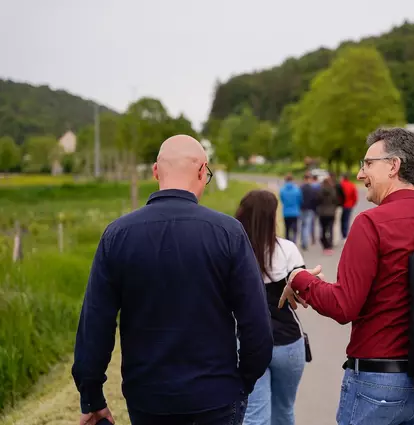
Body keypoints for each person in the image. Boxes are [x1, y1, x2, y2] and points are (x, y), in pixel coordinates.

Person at [72, 135, 273, 425]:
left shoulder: (117, 235)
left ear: (156, 171)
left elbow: (95, 323)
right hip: (216, 395)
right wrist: (244, 382)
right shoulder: (229, 233)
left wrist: (91, 396)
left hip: (148, 399)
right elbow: (257, 325)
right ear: (203, 171)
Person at [279, 127, 414, 425]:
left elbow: (344, 305)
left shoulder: (371, 223)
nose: (361, 174)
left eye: (368, 164)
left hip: (379, 381)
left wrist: (299, 278)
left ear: (394, 166)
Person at [236, 190, 308, 425]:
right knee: (284, 411)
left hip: (246, 343)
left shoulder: (232, 251)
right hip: (288, 342)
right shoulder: (287, 250)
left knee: (255, 416)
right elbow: (304, 294)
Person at [316, 175, 339, 255]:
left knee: (323, 229)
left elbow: (317, 200)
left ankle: (324, 244)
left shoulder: (320, 190)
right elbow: (336, 201)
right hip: (331, 212)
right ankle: (330, 244)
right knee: (331, 229)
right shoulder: (333, 190)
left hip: (322, 213)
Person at [279, 174, 302, 243]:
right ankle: (294, 241)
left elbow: (282, 200)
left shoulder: (282, 190)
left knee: (287, 228)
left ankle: (287, 241)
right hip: (295, 211)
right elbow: (299, 200)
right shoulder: (297, 190)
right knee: (295, 228)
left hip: (286, 212)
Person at [299, 173, 318, 251]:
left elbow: (299, 198)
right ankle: (305, 242)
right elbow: (315, 199)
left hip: (302, 208)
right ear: (309, 179)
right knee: (307, 226)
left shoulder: (300, 188)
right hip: (310, 209)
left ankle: (302, 241)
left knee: (302, 225)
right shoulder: (312, 188)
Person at [338, 173, 358, 240]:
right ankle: (345, 235)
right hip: (349, 205)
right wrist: (353, 204)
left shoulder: (340, 185)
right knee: (346, 220)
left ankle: (342, 233)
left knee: (340, 220)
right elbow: (355, 196)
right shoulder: (351, 185)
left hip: (340, 205)